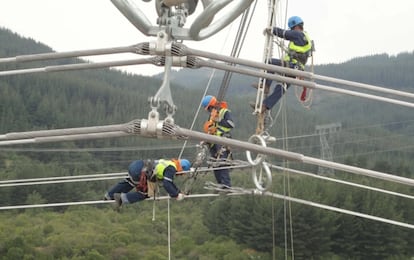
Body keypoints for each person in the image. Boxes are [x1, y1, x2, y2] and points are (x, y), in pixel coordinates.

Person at [252, 16, 313, 113]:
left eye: (292, 28)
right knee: (281, 87)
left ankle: (266, 85)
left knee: (269, 62)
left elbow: (284, 33)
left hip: (292, 66)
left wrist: (271, 29)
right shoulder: (305, 38)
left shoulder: (298, 34)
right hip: (297, 70)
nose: (292, 30)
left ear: (296, 27)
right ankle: (265, 106)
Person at [104, 158, 191, 211]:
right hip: (141, 172)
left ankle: (109, 195)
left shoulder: (169, 163)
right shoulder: (171, 168)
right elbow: (167, 183)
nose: (180, 175)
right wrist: (176, 195)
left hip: (136, 166)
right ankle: (121, 199)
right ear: (182, 168)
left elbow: (169, 182)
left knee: (130, 182)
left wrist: (178, 191)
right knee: (146, 194)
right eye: (182, 173)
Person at [200, 95, 235, 188]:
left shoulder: (224, 112)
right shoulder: (211, 116)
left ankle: (226, 184)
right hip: (213, 142)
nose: (209, 111)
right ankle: (220, 184)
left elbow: (231, 124)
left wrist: (219, 120)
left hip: (223, 141)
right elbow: (210, 129)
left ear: (213, 105)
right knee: (215, 164)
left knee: (222, 162)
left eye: (209, 108)